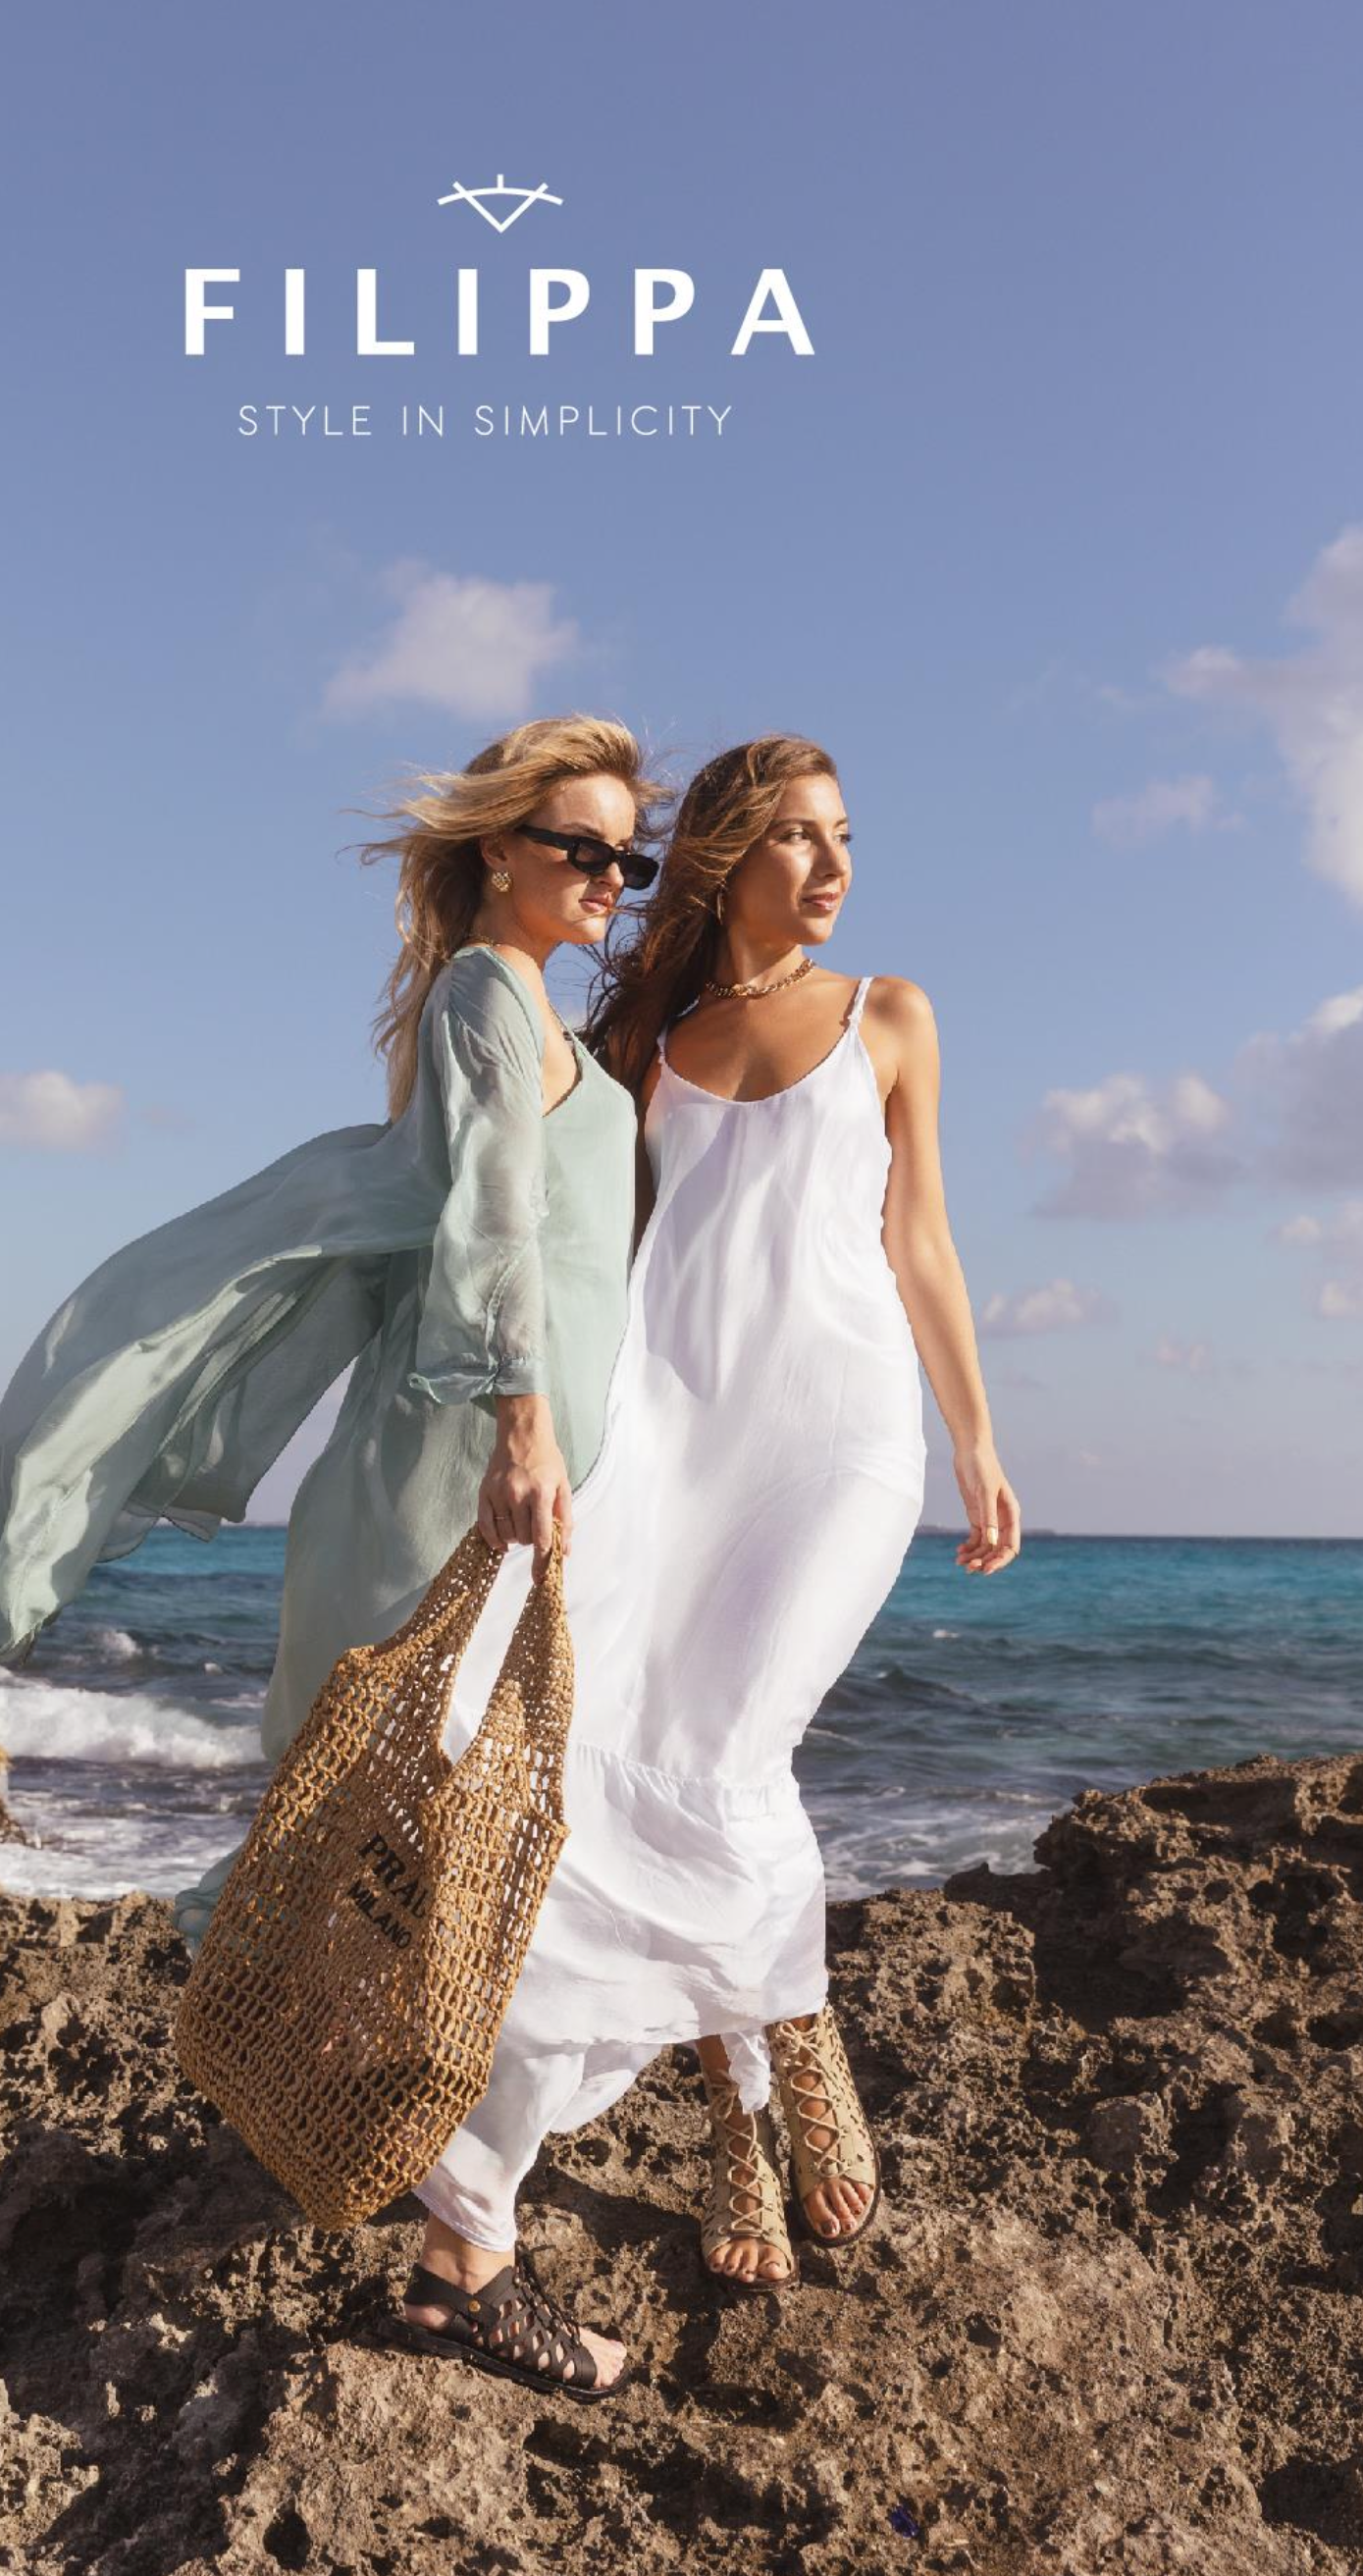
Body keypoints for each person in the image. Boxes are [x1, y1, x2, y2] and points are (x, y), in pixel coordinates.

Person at [390, 734, 1022, 2400]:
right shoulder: (640, 1043)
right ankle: (717, 2107)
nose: (829, 867)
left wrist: (974, 1438)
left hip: (830, 1440)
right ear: (722, 857)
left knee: (727, 1762)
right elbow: (543, 1225)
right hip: (666, 1435)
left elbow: (922, 1238)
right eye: (795, 838)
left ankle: (780, 2069)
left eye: (842, 837)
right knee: (587, 1776)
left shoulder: (888, 1011)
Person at [0, 718, 666, 1880]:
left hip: (535, 1437)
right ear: (501, 851)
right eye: (585, 849)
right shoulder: (484, 994)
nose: (612, 879)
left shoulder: (531, 1009)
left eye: (631, 859)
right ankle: (295, 2032)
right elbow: (497, 1213)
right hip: (468, 1441)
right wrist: (522, 1430)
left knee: (447, 1764)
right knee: (400, 1756)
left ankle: (355, 2028)